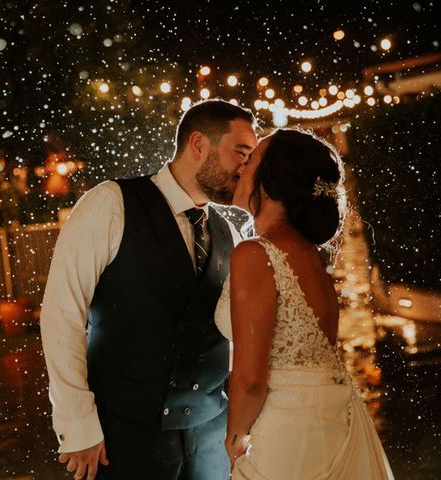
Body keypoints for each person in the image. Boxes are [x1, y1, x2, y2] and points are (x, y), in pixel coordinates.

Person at [40, 98, 258, 480]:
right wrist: (78, 424)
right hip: (124, 435)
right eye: (240, 153)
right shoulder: (110, 203)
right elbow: (62, 314)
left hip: (211, 439)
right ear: (198, 145)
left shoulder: (230, 233)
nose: (246, 168)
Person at [215, 128, 394, 479]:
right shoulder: (311, 257)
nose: (240, 167)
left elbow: (251, 379)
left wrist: (234, 439)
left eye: (250, 160)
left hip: (288, 430)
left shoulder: (256, 254)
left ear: (270, 181)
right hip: (333, 417)